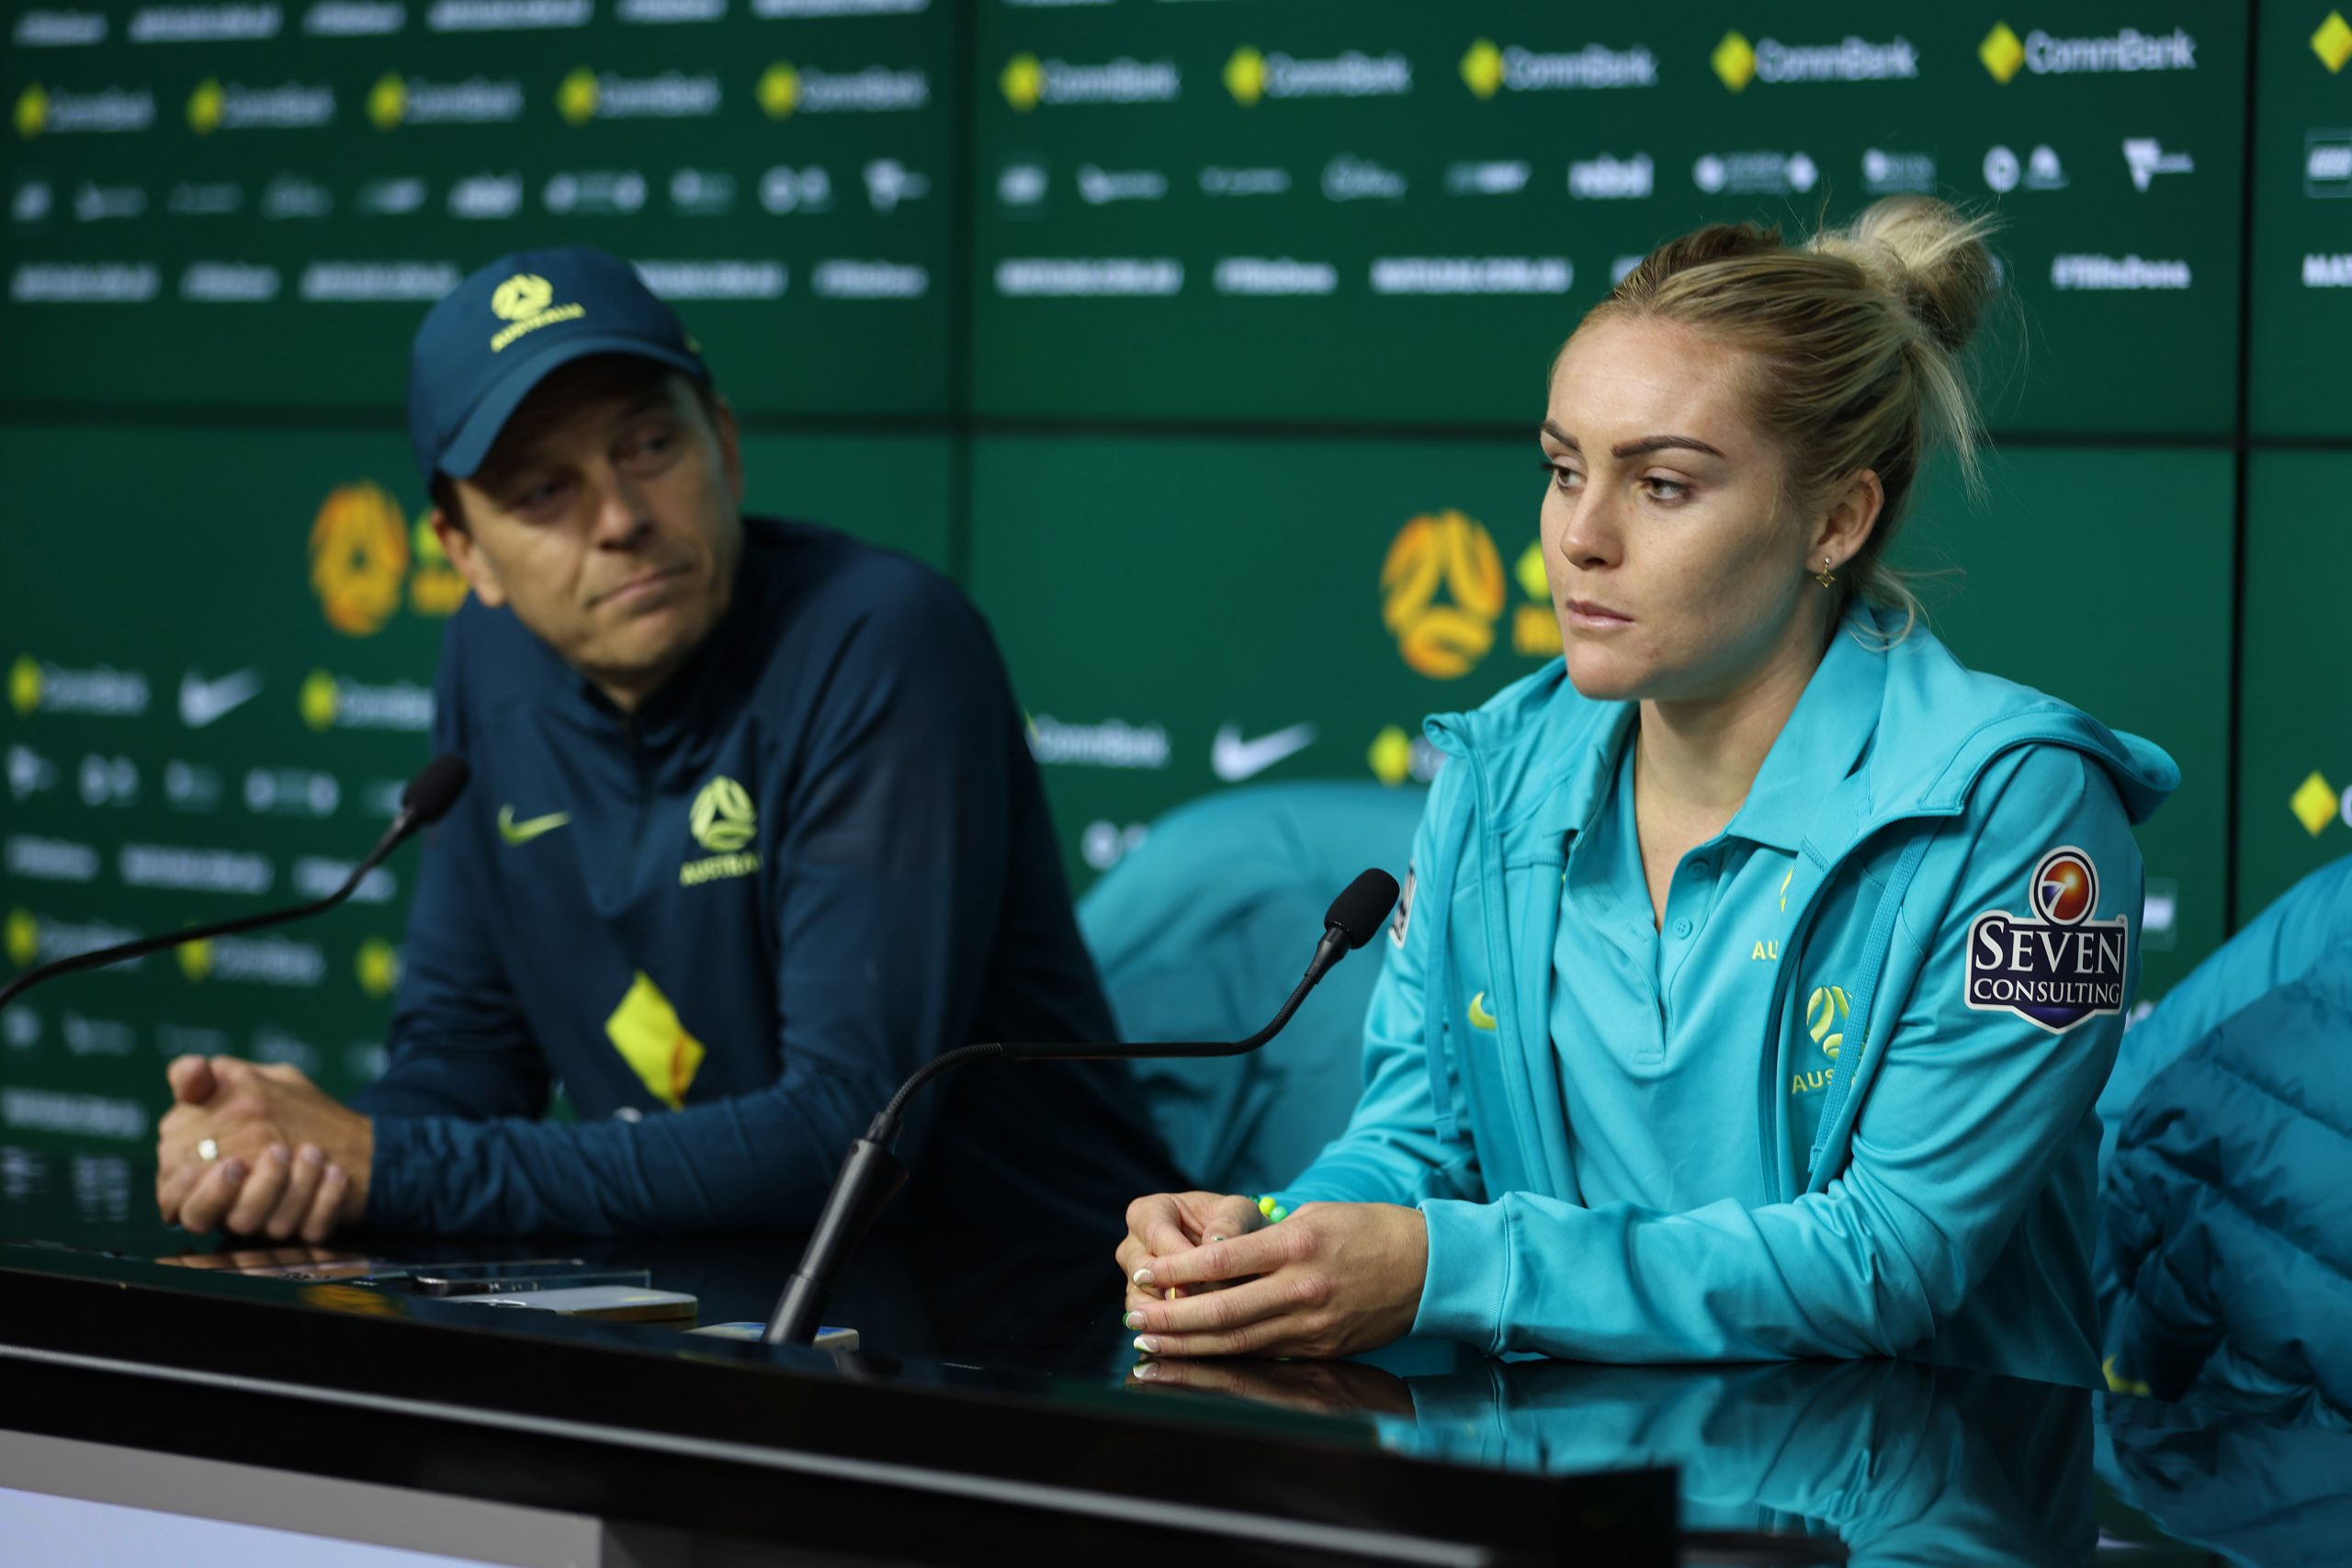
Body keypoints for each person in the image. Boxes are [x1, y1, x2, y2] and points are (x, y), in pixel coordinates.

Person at [1114, 196, 2178, 1388]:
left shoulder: (2017, 807)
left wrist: (1445, 1265)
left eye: (1661, 484)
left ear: (1836, 518)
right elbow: (1422, 1142)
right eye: (1563, 469)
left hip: (1906, 1507)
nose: (1579, 536)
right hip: (1557, 1502)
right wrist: (1276, 1241)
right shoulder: (1495, 766)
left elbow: (1891, 1256)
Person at [153, 245, 1181, 1243]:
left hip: (1026, 1324)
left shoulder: (882, 640)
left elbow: (847, 1140)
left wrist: (391, 1163)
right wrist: (289, 1160)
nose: (618, 518)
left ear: (724, 445)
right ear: (465, 553)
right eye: (541, 492)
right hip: (716, 1306)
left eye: (649, 446)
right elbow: (465, 1052)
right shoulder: (491, 657)